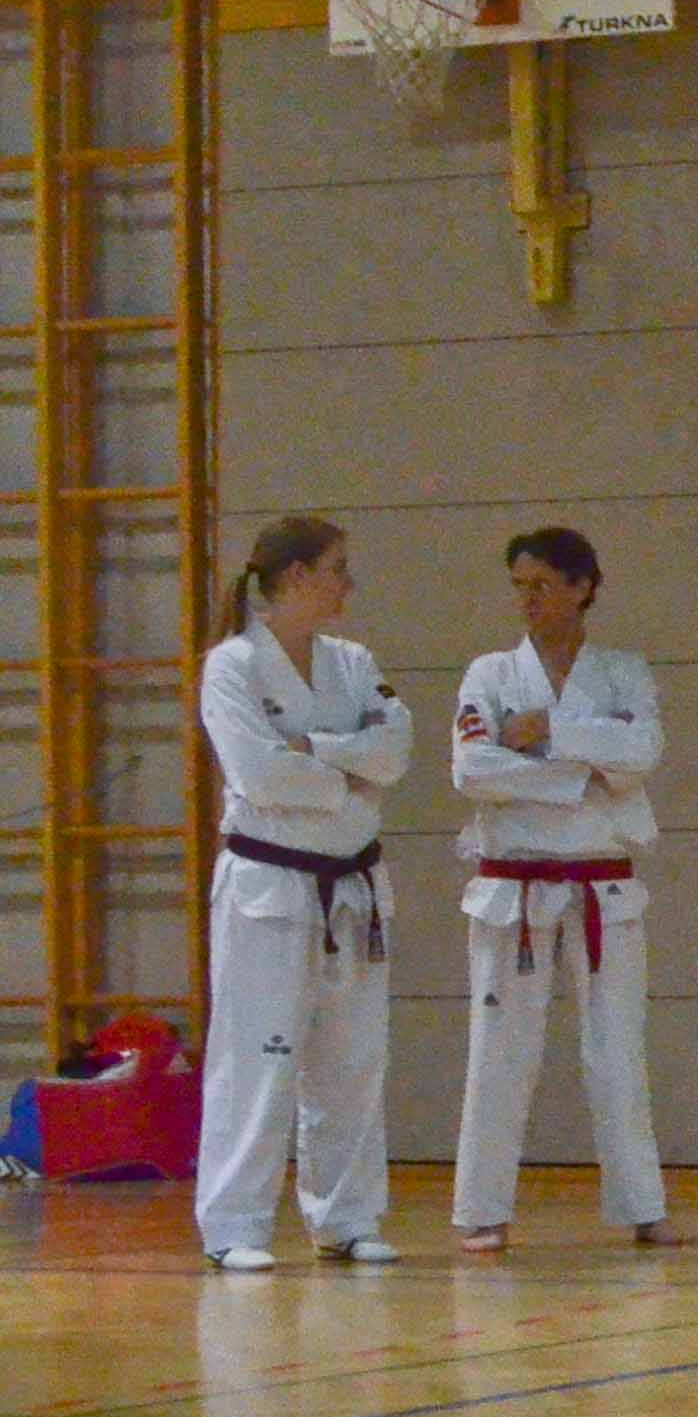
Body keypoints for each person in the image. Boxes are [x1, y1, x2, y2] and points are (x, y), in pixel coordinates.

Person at [448, 525, 679, 1253]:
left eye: (542, 586)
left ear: (583, 588)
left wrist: (551, 728)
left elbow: (642, 752)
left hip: (602, 888)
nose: (527, 599)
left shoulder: (622, 672)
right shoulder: (490, 674)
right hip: (511, 889)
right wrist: (582, 775)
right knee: (499, 1050)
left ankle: (643, 1206)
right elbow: (472, 771)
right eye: (519, 586)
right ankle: (482, 1210)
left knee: (618, 1051)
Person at [195, 515, 411, 1271]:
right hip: (268, 884)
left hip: (352, 882)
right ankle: (235, 1225)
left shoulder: (352, 663)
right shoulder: (232, 666)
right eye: (337, 568)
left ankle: (346, 1218)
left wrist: (312, 750)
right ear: (296, 577)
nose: (349, 583)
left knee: (353, 1059)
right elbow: (257, 775)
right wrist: (345, 781)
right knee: (259, 1055)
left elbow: (394, 752)